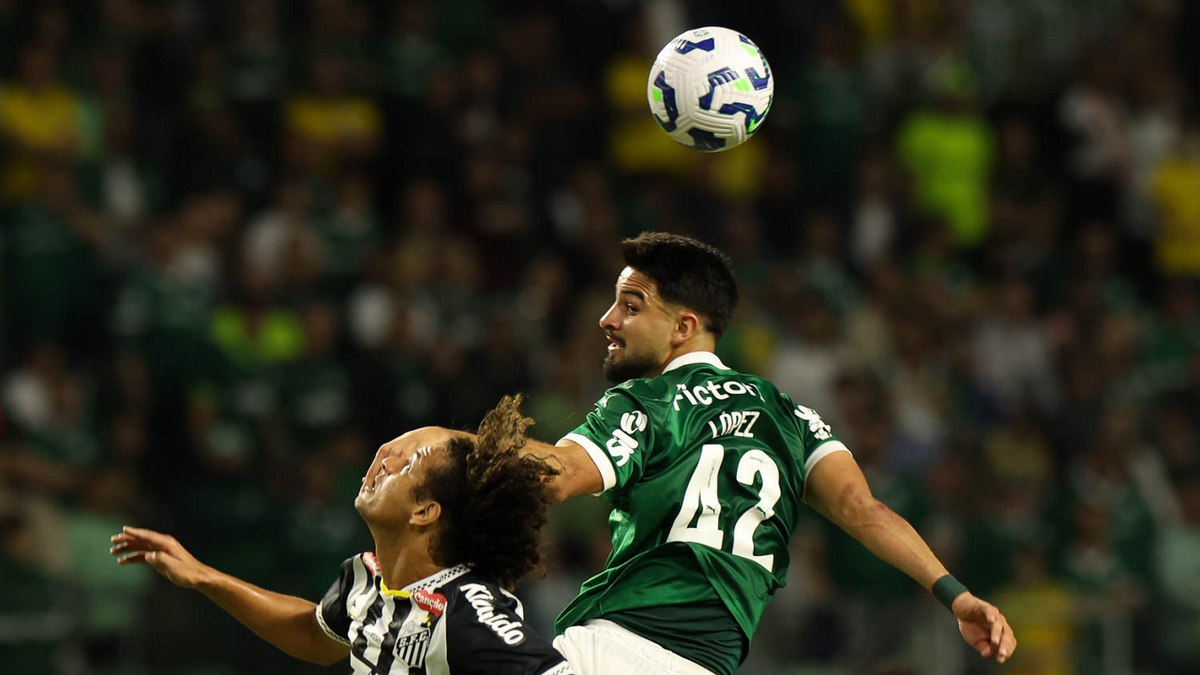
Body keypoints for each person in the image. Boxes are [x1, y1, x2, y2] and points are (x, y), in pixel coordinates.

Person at [374, 232, 1017, 675]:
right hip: (702, 663)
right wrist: (958, 596)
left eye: (631, 305)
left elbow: (561, 476)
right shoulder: (788, 414)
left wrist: (448, 442)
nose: (608, 319)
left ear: (684, 327)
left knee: (405, 628)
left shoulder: (651, 403)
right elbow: (866, 509)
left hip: (620, 651)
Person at [109, 396, 574, 675]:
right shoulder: (366, 581)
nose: (383, 464)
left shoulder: (463, 612)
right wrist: (204, 577)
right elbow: (313, 635)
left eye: (407, 466)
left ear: (425, 511)